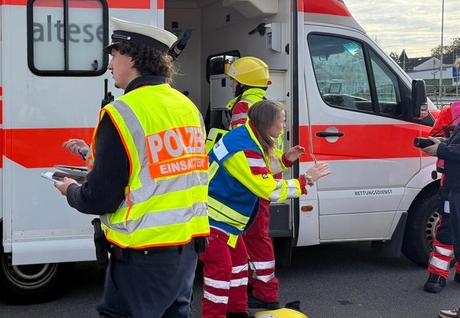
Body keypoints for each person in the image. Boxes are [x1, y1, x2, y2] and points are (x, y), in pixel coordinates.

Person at [54, 17, 210, 318]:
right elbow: (159, 167)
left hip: (142, 257)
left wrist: (71, 190)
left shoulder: (122, 112)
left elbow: (99, 198)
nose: (110, 65)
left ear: (134, 58)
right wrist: (91, 154)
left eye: (114, 55)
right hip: (186, 251)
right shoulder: (186, 107)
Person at [200, 100, 330, 318]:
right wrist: (305, 180)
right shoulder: (245, 148)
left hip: (224, 223)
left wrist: (285, 160)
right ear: (267, 123)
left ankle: (236, 311)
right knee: (219, 275)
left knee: (239, 266)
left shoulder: (246, 136)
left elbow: (259, 171)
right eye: (281, 121)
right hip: (212, 220)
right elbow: (267, 188)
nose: (283, 126)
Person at [225, 56, 285, 310]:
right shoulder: (263, 103)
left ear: (243, 83)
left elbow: (242, 144)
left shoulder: (244, 106)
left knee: (255, 236)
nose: (230, 85)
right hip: (264, 175)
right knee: (255, 236)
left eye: (233, 80)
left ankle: (266, 293)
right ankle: (258, 287)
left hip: (253, 180)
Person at [423, 106, 460, 318]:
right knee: (447, 227)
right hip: (452, 181)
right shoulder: (451, 111)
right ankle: (437, 275)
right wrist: (446, 140)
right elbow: (431, 141)